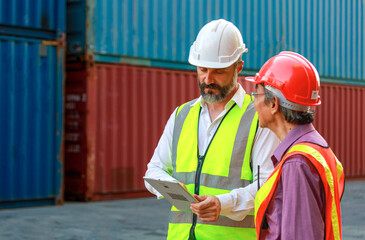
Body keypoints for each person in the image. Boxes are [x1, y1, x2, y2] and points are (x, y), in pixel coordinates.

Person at [144, 19, 280, 240]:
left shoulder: (258, 119)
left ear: (239, 67)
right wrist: (170, 186)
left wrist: (223, 203)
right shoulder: (181, 115)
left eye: (219, 71)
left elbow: (267, 186)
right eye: (202, 69)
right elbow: (153, 170)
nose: (208, 79)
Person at [245, 51, 345, 239]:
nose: (254, 104)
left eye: (256, 95)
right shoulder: (316, 148)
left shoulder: (296, 163)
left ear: (273, 103)